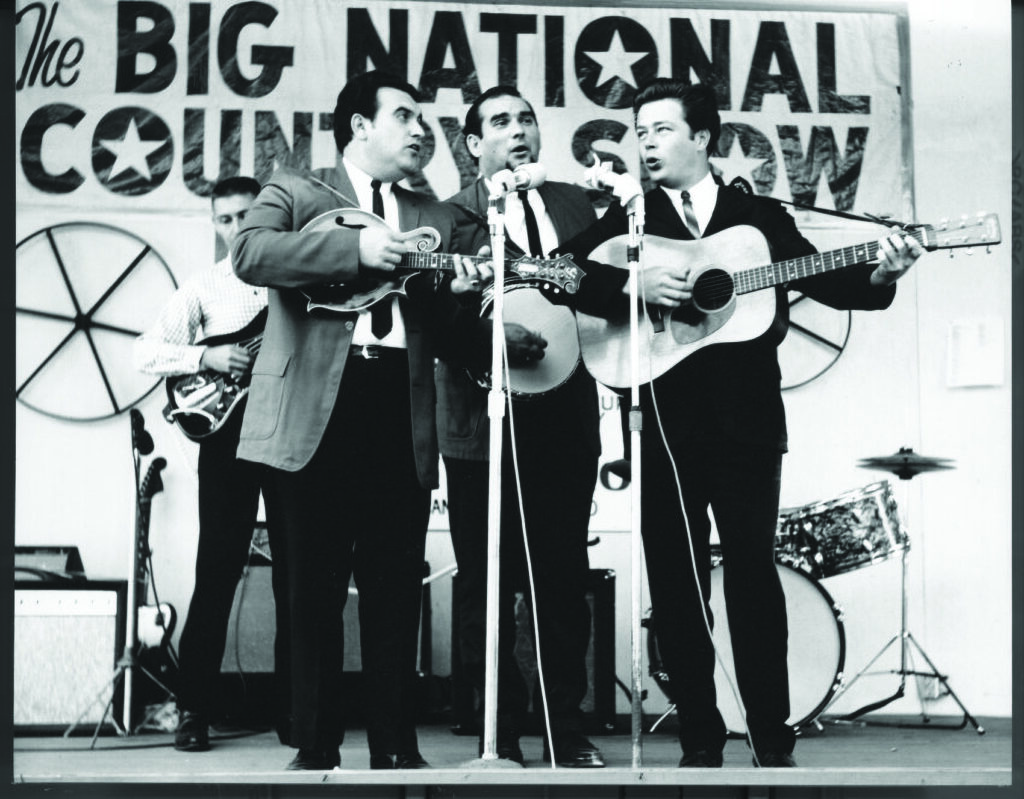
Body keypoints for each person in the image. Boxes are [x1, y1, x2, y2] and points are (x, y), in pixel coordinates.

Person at [554, 78, 923, 768]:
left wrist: (882, 274)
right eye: (640, 131)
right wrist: (631, 284)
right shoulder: (631, 221)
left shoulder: (756, 220)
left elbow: (826, 279)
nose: (646, 143)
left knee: (754, 577)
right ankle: (699, 735)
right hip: (663, 423)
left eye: (661, 129)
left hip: (749, 425)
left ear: (703, 137)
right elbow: (562, 273)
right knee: (676, 581)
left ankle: (770, 734)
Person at [230, 70, 492, 772]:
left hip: (398, 408)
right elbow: (250, 255)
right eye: (404, 115)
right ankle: (314, 745)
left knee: (394, 585)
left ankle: (396, 746)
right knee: (308, 587)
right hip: (316, 409)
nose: (420, 130)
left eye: (423, 119)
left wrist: (464, 297)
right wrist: (355, 250)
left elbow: (443, 326)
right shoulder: (295, 189)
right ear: (359, 128)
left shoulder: (435, 214)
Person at [437, 85, 605, 768]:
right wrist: (488, 338)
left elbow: (603, 287)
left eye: (527, 119)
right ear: (474, 145)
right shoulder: (451, 217)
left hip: (564, 414)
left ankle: (564, 726)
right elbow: (434, 316)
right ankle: (496, 731)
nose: (519, 130)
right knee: (485, 581)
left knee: (562, 578)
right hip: (483, 421)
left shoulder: (574, 204)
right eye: (500, 122)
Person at [134, 176, 288, 752]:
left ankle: (296, 713)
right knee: (217, 571)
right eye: (224, 218)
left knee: (297, 577)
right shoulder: (204, 286)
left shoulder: (297, 281)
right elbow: (144, 352)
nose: (235, 227)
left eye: (246, 215)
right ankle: (194, 710)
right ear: (215, 224)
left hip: (291, 434)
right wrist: (207, 354)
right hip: (227, 440)